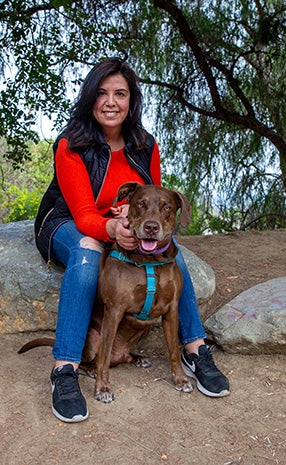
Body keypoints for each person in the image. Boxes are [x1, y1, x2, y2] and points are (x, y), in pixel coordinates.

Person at [34, 57, 230, 423]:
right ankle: (65, 369)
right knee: (89, 250)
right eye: (102, 93)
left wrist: (134, 223)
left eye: (120, 94)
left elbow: (152, 201)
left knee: (172, 255)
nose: (111, 102)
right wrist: (114, 230)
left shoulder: (145, 145)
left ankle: (194, 348)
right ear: (90, 99)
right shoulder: (71, 145)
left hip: (122, 222)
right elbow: (84, 215)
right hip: (66, 222)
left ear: (131, 100)